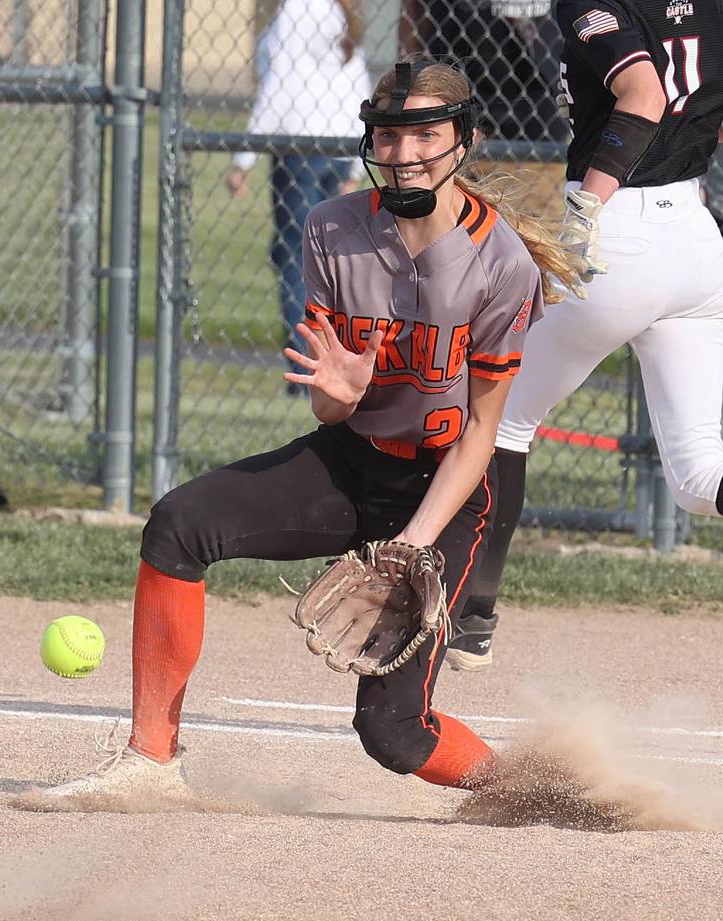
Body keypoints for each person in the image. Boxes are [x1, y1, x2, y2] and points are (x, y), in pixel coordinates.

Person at [32, 60, 581, 807]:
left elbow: (484, 432)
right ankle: (151, 762)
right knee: (179, 525)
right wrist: (340, 397)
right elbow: (331, 411)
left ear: (465, 140)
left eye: (426, 132)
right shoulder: (332, 227)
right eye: (388, 134)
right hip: (352, 460)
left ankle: (528, 790)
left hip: (444, 493)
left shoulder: (501, 263)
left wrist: (412, 544)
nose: (404, 151)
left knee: (394, 734)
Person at [451, 0, 723, 673]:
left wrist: (587, 206)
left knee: (501, 415)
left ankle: (471, 612)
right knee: (698, 478)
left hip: (620, 231)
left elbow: (644, 93)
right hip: (696, 236)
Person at [226, 0, 372, 392]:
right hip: (339, 147)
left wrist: (244, 159)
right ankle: (333, 360)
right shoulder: (344, 10)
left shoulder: (299, 9)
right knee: (331, 261)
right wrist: (356, 166)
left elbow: (278, 87)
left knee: (294, 256)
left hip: (300, 148)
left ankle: (307, 372)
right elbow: (359, 86)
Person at [398, 0, 567, 141]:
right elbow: (412, 7)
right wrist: (408, 79)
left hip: (541, 82)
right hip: (460, 76)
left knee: (539, 170)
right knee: (458, 171)